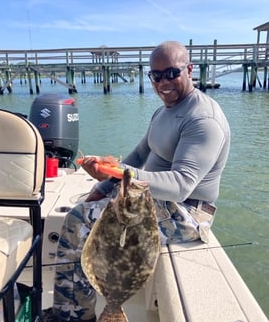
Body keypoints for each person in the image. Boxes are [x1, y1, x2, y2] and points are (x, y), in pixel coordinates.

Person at [44, 41, 230, 322]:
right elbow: (139, 155)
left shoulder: (203, 119)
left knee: (78, 222)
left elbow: (181, 185)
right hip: (149, 200)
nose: (163, 82)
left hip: (186, 213)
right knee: (84, 207)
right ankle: (79, 307)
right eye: (155, 75)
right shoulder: (163, 111)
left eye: (171, 73)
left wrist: (119, 174)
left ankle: (73, 316)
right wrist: (104, 185)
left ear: (190, 69)